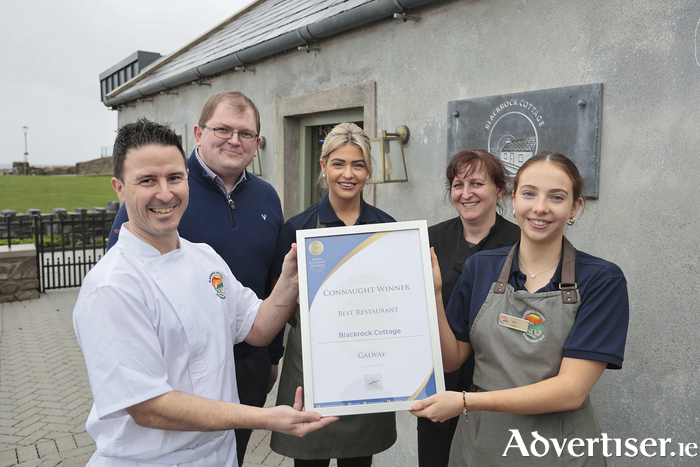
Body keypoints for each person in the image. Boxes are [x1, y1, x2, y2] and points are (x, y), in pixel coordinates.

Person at [74, 118, 336, 467]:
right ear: (120, 189)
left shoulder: (204, 258)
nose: (165, 193)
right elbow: (149, 408)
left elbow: (255, 326)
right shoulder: (112, 287)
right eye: (147, 180)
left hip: (218, 455)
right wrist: (266, 418)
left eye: (175, 178)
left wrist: (290, 281)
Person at [411, 151, 629, 466]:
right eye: (529, 193)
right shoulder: (480, 267)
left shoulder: (601, 280)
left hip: (559, 449)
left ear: (575, 208)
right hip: (479, 445)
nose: (539, 207)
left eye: (556, 197)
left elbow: (571, 391)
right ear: (514, 200)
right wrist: (434, 295)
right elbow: (451, 360)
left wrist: (465, 401)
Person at [106, 92, 284, 465]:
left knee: (230, 449)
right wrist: (273, 418)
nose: (234, 140)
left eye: (246, 133)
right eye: (222, 129)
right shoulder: (119, 273)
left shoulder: (265, 200)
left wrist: (272, 355)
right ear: (198, 134)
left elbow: (269, 288)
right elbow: (149, 403)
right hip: (173, 375)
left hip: (246, 358)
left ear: (257, 144)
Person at [269, 123, 396, 467]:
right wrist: (272, 358)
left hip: (365, 361)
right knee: (309, 457)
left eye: (357, 164)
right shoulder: (298, 228)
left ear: (368, 171)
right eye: (339, 163)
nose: (348, 173)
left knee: (359, 460)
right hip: (310, 364)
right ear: (323, 166)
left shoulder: (387, 228)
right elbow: (279, 301)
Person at [419, 150, 520, 466]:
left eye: (477, 183)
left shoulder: (520, 241)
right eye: (458, 184)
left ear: (499, 189)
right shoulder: (429, 239)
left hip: (498, 382)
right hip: (439, 380)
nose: (466, 193)